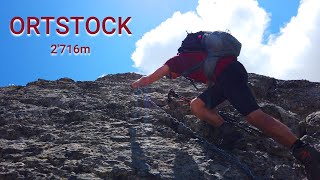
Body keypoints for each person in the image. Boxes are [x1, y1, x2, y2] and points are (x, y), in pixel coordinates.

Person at [131, 33, 320, 179]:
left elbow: (149, 78)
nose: (168, 77)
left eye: (167, 75)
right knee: (197, 105)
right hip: (226, 76)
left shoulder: (176, 61)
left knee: (254, 116)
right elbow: (212, 81)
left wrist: (139, 83)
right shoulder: (194, 62)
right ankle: (229, 132)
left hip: (229, 74)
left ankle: (305, 152)